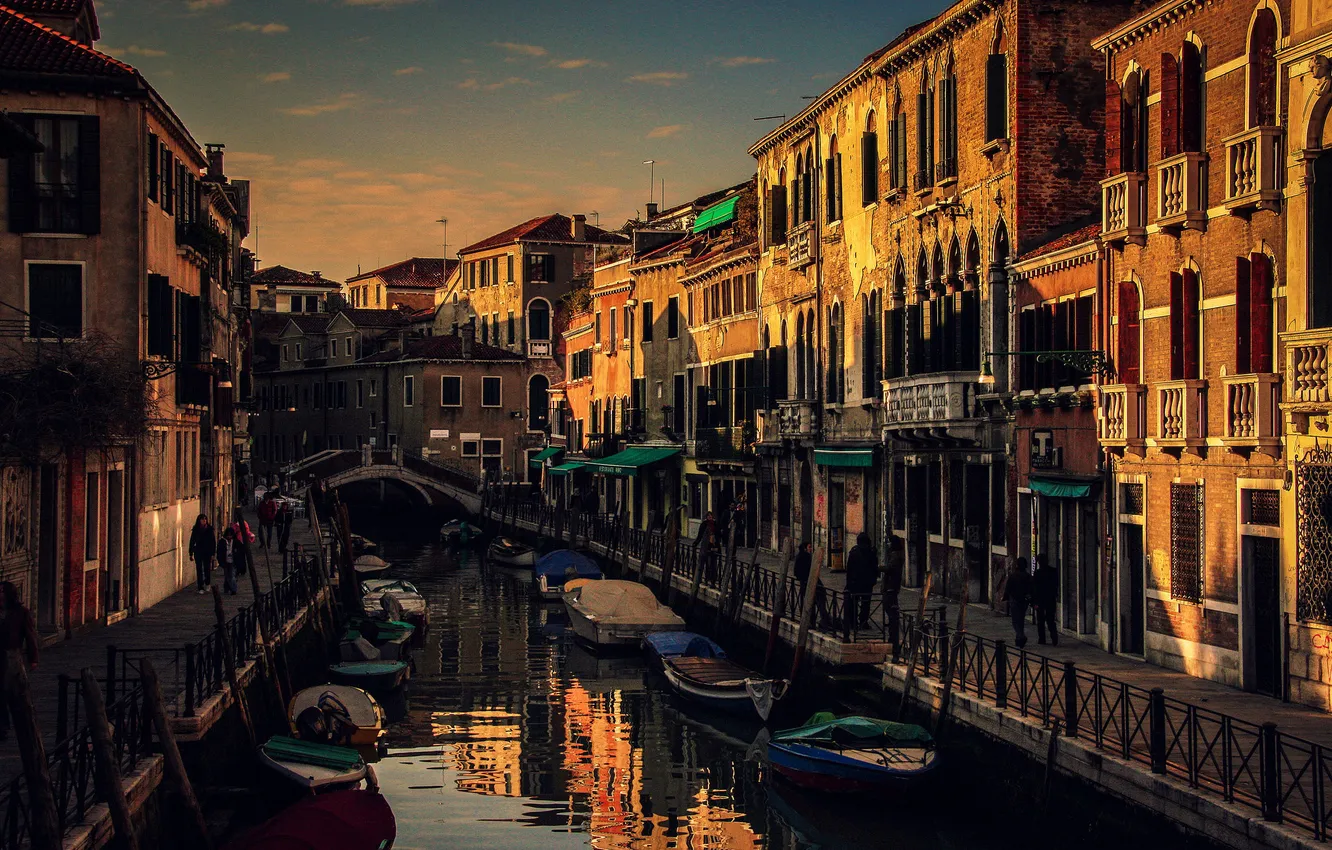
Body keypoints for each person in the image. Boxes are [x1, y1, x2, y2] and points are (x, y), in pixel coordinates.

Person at [0, 582, 38, 741]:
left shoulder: (21, 612)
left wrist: (33, 658)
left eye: (1, 591)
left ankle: (16, 724)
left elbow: (30, 636)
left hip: (11, 655)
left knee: (11, 691)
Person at [845, 532, 879, 628]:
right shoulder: (871, 553)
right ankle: (863, 622)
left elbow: (849, 569)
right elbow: (875, 568)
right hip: (867, 583)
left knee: (854, 603)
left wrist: (848, 583)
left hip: (855, 583)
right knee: (866, 604)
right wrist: (873, 580)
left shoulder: (854, 553)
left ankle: (853, 622)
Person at [1003, 558, 1033, 648]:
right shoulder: (1028, 576)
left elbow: (1008, 588)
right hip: (1024, 601)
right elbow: (1031, 589)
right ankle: (1019, 638)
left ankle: (1020, 636)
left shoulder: (1013, 576)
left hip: (1015, 600)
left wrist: (1005, 597)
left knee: (1016, 620)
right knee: (1021, 619)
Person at [881, 536, 905, 646]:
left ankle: (893, 637)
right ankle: (893, 636)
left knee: (890, 610)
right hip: (893, 587)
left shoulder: (895, 556)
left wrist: (879, 568)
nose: (888, 545)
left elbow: (890, 569)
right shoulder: (897, 555)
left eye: (890, 543)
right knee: (892, 610)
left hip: (890, 587)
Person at [1033, 553, 1059, 646]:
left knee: (1040, 620)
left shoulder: (1037, 573)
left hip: (1041, 600)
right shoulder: (1053, 571)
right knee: (1050, 619)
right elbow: (1056, 585)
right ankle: (1053, 635)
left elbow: (1035, 589)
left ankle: (1042, 639)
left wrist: (1035, 602)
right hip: (1050, 598)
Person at [187, 514, 216, 594]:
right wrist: (191, 553)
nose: (204, 521)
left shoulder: (209, 529)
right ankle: (200, 586)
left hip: (207, 551)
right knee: (199, 569)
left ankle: (207, 583)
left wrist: (213, 553)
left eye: (205, 519)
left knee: (207, 568)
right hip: (198, 551)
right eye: (202, 519)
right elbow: (192, 541)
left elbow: (213, 542)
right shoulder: (196, 529)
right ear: (199, 520)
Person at [230, 509, 255, 578]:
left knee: (242, 556)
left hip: (242, 542)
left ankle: (242, 569)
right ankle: (239, 569)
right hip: (236, 542)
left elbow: (247, 531)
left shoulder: (243, 523)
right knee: (237, 557)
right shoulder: (234, 524)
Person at [217, 527, 240, 595]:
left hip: (233, 561)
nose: (229, 537)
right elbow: (219, 552)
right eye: (228, 535)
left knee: (232, 575)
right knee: (227, 575)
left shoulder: (236, 542)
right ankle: (226, 588)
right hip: (225, 561)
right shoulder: (222, 542)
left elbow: (239, 552)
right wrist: (220, 561)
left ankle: (233, 589)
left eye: (231, 535)